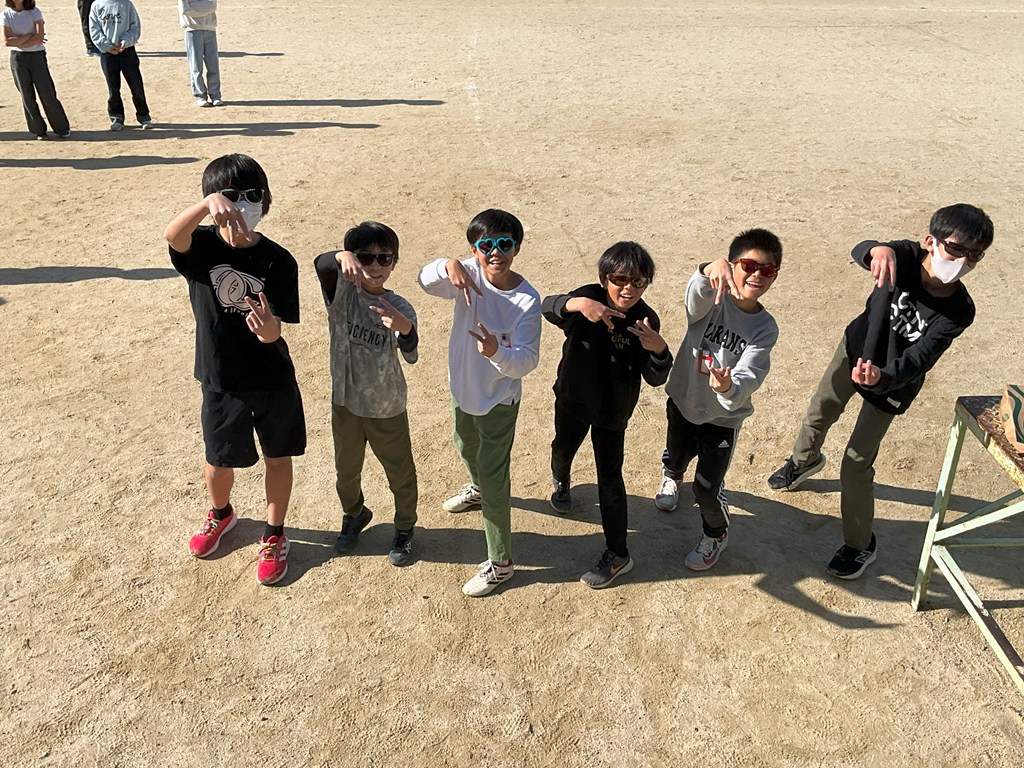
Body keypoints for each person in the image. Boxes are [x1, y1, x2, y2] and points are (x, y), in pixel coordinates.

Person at [767, 204, 993, 579]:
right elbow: (866, 250)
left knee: (856, 463)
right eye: (955, 249)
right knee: (821, 408)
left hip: (892, 383)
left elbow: (921, 357)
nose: (962, 261)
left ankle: (860, 545)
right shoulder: (905, 257)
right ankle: (803, 461)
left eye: (974, 255)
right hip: (854, 349)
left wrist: (883, 378)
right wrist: (877, 249)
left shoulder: (959, 310)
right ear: (930, 242)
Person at [164, 154, 306, 586]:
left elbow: (278, 325)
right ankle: (221, 514)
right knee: (217, 460)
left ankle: (274, 533)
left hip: (272, 378)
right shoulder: (201, 248)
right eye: (229, 194)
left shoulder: (279, 260)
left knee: (278, 457)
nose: (241, 203)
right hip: (220, 378)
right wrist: (204, 205)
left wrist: (268, 332)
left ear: (265, 199)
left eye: (252, 194)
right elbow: (173, 235)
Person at [417, 209, 541, 597]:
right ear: (474, 248)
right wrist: (448, 264)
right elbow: (423, 280)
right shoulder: (467, 273)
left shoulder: (526, 300)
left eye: (505, 244)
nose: (495, 252)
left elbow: (527, 361)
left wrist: (495, 351)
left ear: (517, 248)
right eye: (486, 245)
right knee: (464, 445)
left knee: (494, 475)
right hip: (462, 389)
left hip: (499, 400)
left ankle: (501, 563)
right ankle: (476, 488)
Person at [542, 242, 672, 588]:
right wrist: (578, 304)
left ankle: (618, 555)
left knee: (610, 478)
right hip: (572, 399)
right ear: (604, 279)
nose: (629, 289)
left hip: (612, 412)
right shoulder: (587, 298)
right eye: (620, 280)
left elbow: (655, 377)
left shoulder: (644, 320)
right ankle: (561, 480)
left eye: (639, 282)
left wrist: (659, 350)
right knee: (563, 449)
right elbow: (547, 307)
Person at [655, 229, 783, 571]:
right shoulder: (713, 297)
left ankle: (715, 534)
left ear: (775, 276)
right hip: (684, 398)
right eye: (749, 266)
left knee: (707, 489)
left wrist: (728, 386)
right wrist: (708, 268)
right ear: (733, 264)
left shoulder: (765, 328)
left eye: (767, 270)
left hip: (723, 418)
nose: (757, 275)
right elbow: (692, 299)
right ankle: (672, 475)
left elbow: (752, 371)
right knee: (676, 452)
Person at [314, 222, 419, 567]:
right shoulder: (342, 293)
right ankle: (355, 513)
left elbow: (411, 351)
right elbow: (321, 264)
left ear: (394, 263)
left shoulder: (399, 305)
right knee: (346, 472)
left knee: (400, 474)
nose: (375, 266)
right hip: (345, 403)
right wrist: (339, 255)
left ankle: (404, 528)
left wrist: (405, 328)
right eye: (365, 257)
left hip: (386, 406)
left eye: (384, 258)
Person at [3, 0, 70, 139]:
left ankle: (61, 128)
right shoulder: (5, 14)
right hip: (18, 58)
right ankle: (38, 130)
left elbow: (39, 37)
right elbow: (7, 41)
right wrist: (29, 36)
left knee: (47, 93)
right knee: (27, 96)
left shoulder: (35, 11)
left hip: (37, 56)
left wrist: (21, 40)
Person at [89, 0, 152, 131]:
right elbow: (94, 29)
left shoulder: (126, 4)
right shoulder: (97, 5)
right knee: (113, 88)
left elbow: (135, 27)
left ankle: (144, 116)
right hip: (107, 54)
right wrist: (106, 46)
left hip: (127, 52)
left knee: (136, 86)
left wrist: (126, 41)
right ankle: (116, 117)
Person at [177, 0, 222, 107]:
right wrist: (203, 7)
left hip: (210, 29)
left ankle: (215, 95)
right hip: (192, 29)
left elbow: (212, 6)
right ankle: (200, 95)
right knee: (196, 66)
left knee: (213, 65)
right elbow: (185, 10)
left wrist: (194, 7)